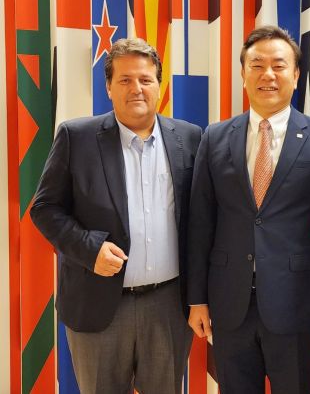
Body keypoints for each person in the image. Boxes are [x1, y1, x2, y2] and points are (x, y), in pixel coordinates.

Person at [186, 25, 310, 394]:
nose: (268, 75)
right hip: (229, 304)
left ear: (296, 74)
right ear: (243, 73)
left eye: (279, 65)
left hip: (297, 304)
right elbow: (200, 225)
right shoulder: (215, 137)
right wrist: (196, 298)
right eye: (257, 65)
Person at [30, 38, 201, 394]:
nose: (136, 88)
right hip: (98, 306)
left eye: (145, 79)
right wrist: (90, 249)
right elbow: (45, 208)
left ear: (159, 85)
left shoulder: (189, 138)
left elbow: (200, 218)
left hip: (168, 307)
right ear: (108, 87)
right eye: (125, 80)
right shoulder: (76, 137)